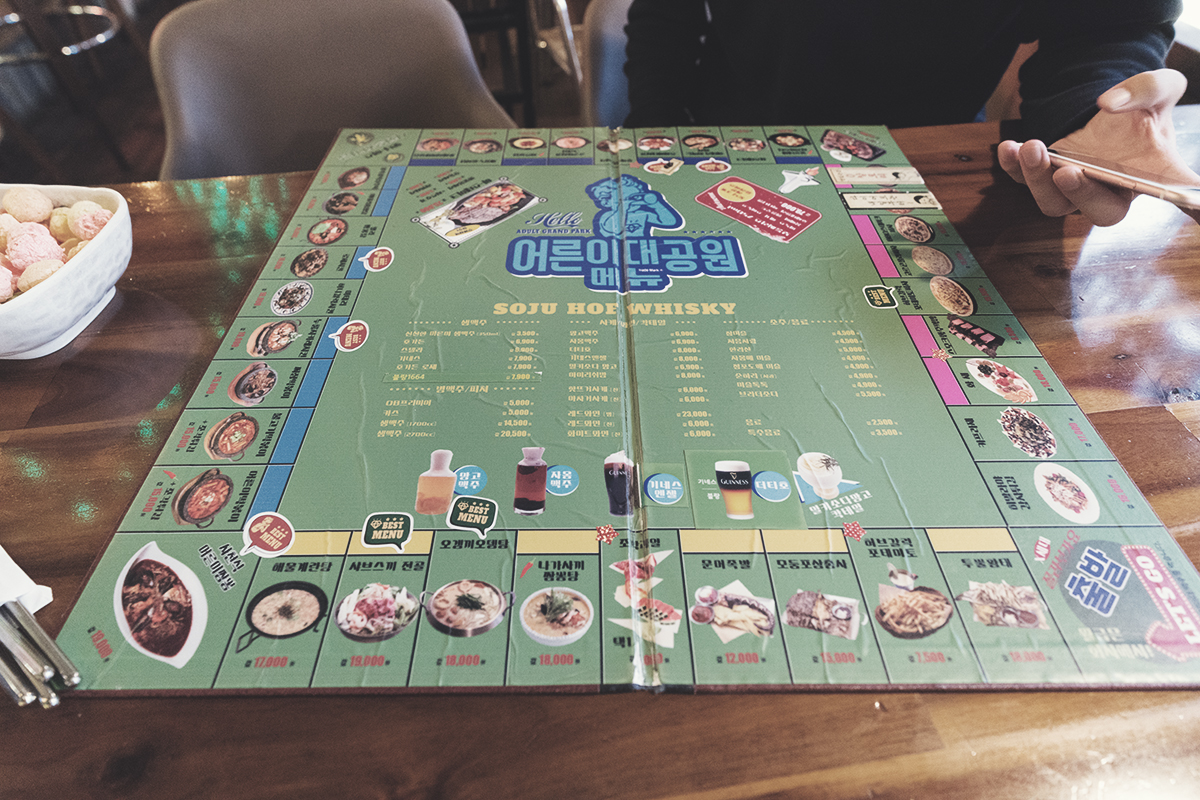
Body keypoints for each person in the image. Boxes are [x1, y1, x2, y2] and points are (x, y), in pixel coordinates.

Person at [624, 0, 1197, 226]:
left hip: (925, 164)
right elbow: (665, 13)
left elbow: (1108, 23)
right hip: (727, 143)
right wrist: (654, 131)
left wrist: (1088, 117)